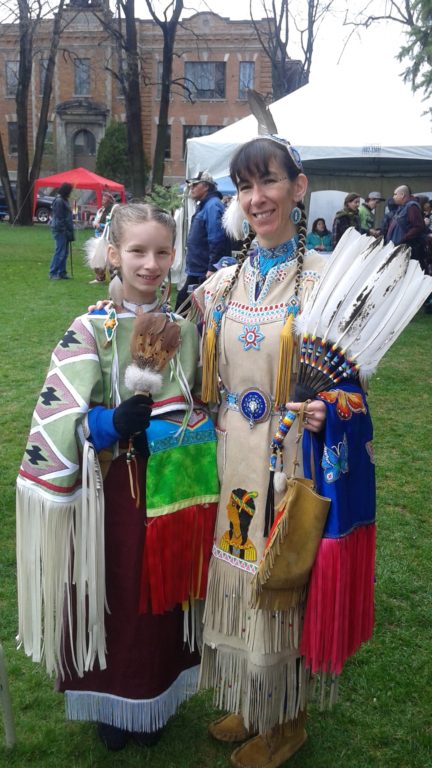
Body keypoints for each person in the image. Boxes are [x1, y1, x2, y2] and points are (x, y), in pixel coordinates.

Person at [191, 137, 375, 768]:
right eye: (245, 186)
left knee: (279, 588)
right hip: (232, 462)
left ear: (298, 188)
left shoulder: (328, 281)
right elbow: (204, 378)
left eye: (268, 181)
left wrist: (332, 408)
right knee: (237, 579)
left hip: (289, 465)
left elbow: (352, 387)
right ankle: (251, 697)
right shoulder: (222, 283)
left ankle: (286, 721)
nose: (256, 197)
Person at [16, 203, 219, 751]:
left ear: (174, 256)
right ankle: (113, 699)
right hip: (114, 492)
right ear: (113, 255)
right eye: (137, 251)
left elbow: (200, 396)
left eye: (161, 252)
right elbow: (60, 413)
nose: (150, 264)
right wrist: (108, 422)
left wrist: (193, 420)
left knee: (164, 597)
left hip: (174, 484)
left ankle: (157, 694)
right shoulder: (92, 326)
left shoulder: (183, 327)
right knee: (115, 593)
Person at [175, 170, 232, 310]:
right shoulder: (205, 205)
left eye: (195, 185)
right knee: (189, 307)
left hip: (204, 271)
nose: (191, 188)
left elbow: (217, 239)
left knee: (184, 306)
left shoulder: (213, 206)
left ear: (206, 186)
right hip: (197, 269)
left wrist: (212, 268)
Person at [385, 184, 426, 266]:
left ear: (402, 195)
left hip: (405, 250)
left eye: (395, 194)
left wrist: (403, 239)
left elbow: (418, 227)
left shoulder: (412, 207)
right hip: (398, 249)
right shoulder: (403, 207)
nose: (393, 197)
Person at [48, 182, 74, 280]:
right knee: (59, 251)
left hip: (65, 229)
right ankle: (53, 272)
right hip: (60, 229)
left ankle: (62, 272)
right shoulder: (59, 201)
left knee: (65, 252)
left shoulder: (64, 200)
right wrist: (64, 229)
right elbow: (59, 217)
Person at [89, 191, 115, 284]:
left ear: (109, 201)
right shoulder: (100, 210)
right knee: (97, 258)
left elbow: (111, 225)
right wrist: (95, 224)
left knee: (108, 259)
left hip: (107, 238)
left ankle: (113, 278)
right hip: (98, 236)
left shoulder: (112, 212)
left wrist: (100, 225)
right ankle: (100, 277)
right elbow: (96, 220)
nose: (103, 200)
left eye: (105, 199)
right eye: (102, 199)